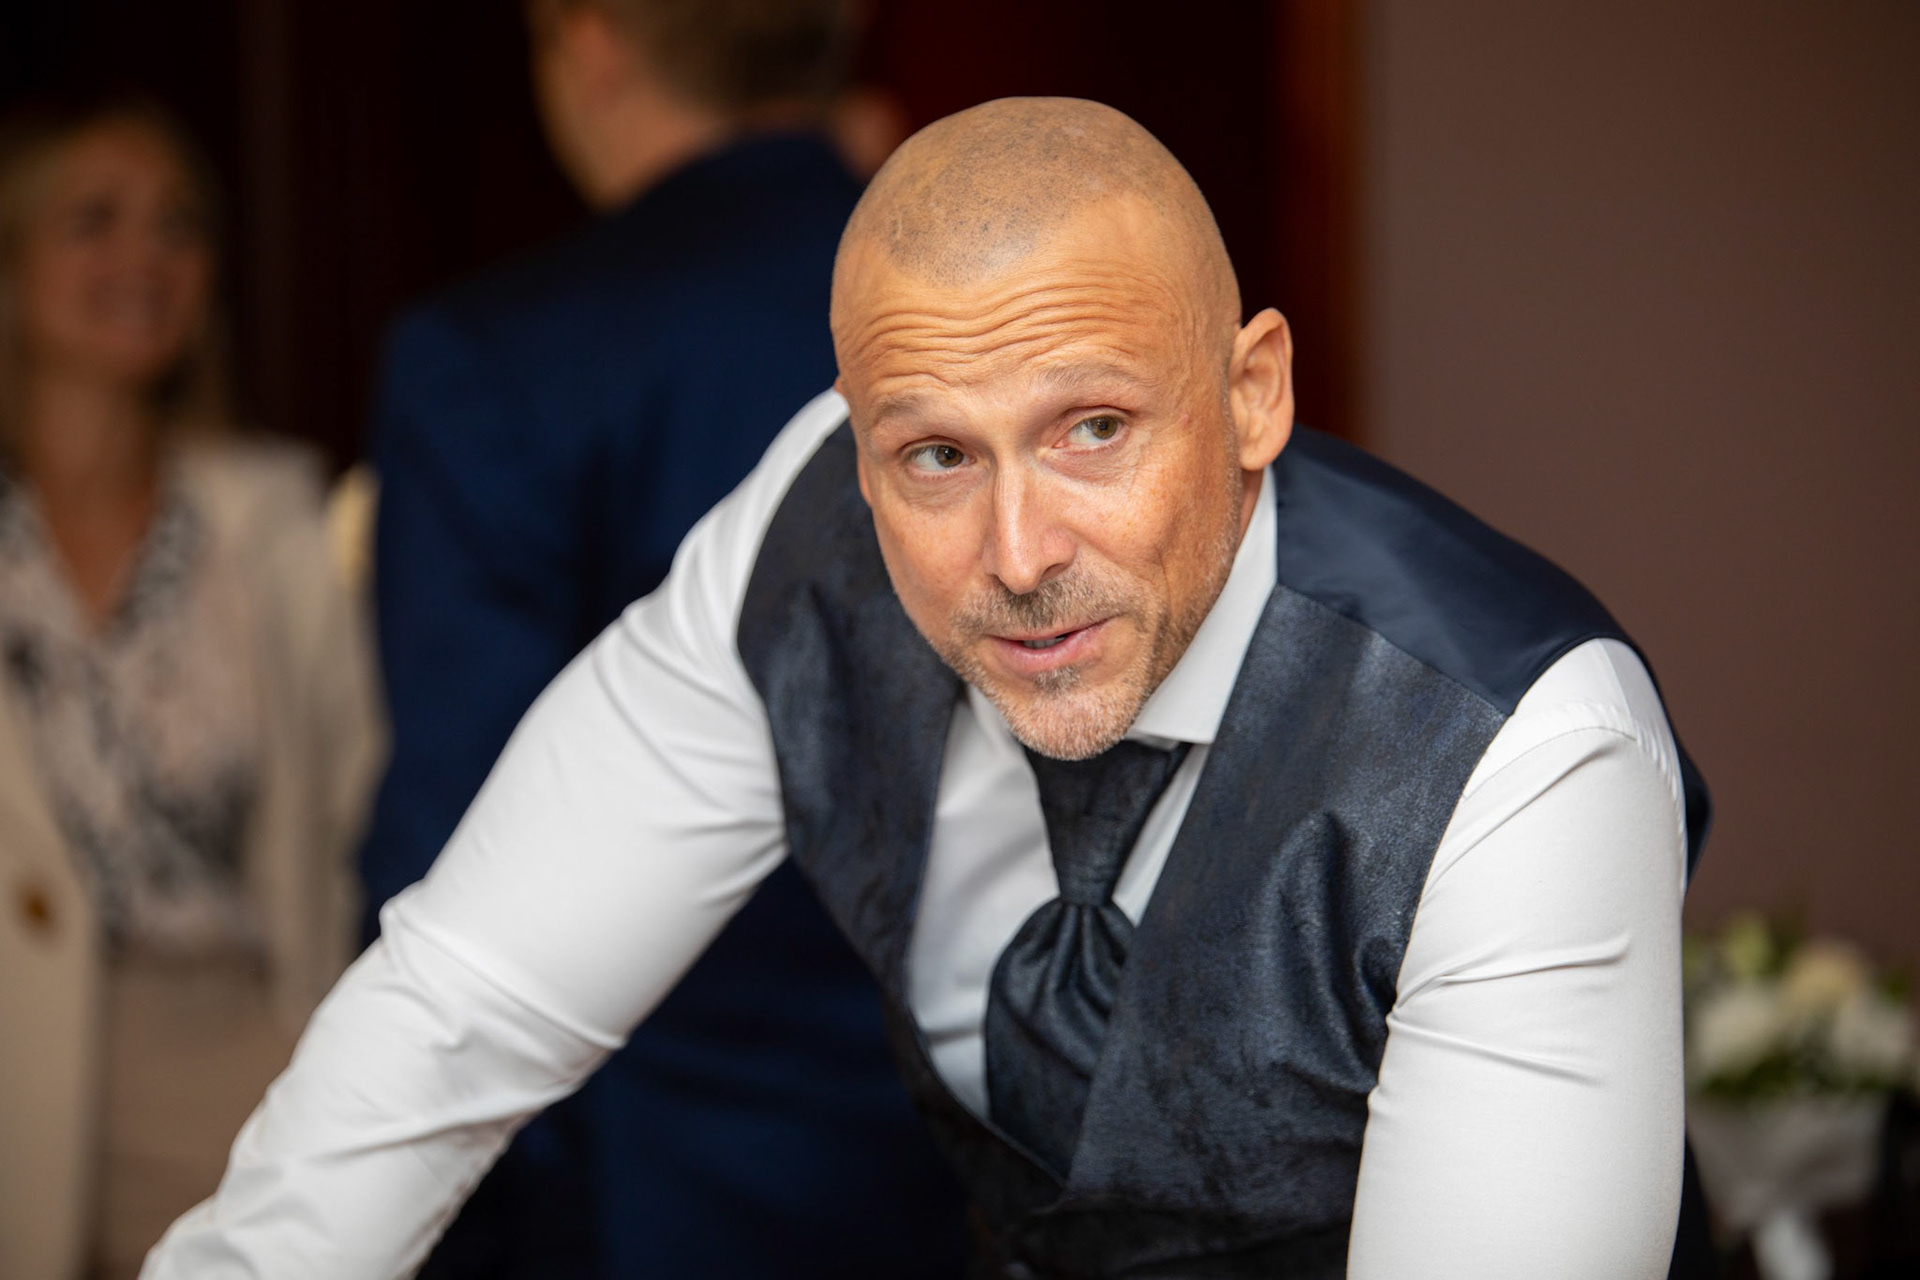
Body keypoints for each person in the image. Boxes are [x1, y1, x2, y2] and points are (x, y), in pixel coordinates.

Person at [148, 97, 1710, 1279]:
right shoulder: (800, 553)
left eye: (1093, 428)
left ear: (1253, 395)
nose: (1018, 557)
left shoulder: (1518, 751)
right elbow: (459, 1008)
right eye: (937, 456)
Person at [355, 1, 963, 1275]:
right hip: (1007, 1158)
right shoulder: (1012, 311)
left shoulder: (505, 360)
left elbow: (463, 869)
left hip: (655, 1188)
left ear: (592, 45)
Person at [0, 99, 382, 1280]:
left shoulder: (272, 519)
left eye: (178, 226)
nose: (144, 257)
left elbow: (361, 799)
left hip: (240, 1068)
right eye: (95, 221)